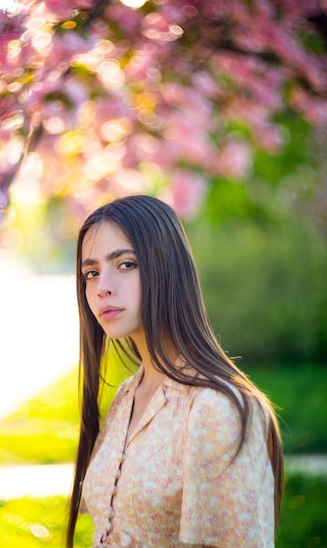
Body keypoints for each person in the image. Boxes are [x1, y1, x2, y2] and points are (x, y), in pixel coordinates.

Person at [67, 194, 283, 548]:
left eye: (125, 264)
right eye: (91, 273)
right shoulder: (126, 396)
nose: (102, 286)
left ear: (166, 267)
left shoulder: (216, 408)